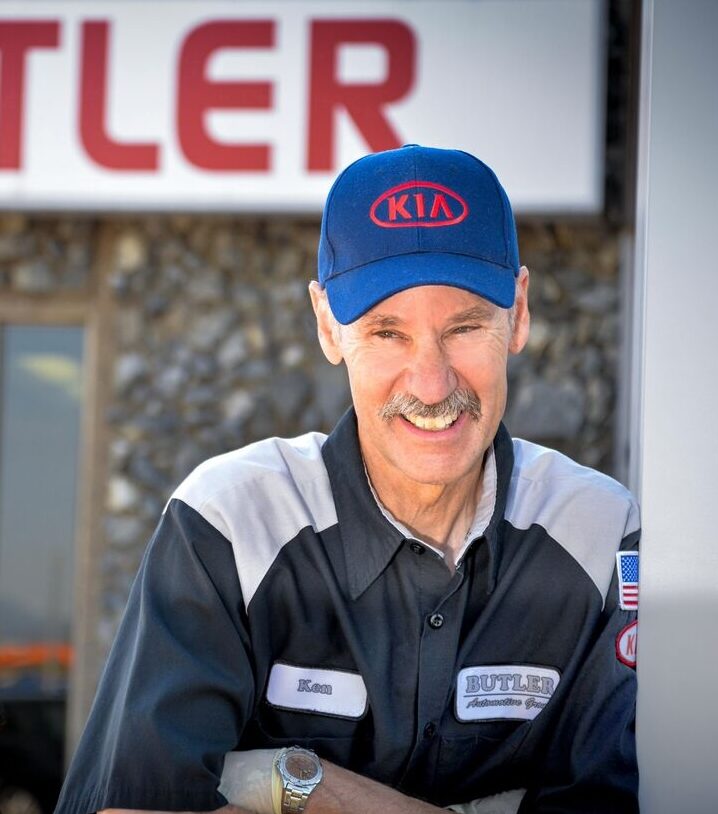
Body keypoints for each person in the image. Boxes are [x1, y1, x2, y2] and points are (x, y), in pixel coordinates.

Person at [55, 145, 640, 814]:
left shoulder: (598, 534)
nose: (431, 383)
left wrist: (291, 782)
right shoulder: (229, 524)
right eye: (387, 332)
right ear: (327, 323)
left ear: (521, 311)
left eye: (466, 326)